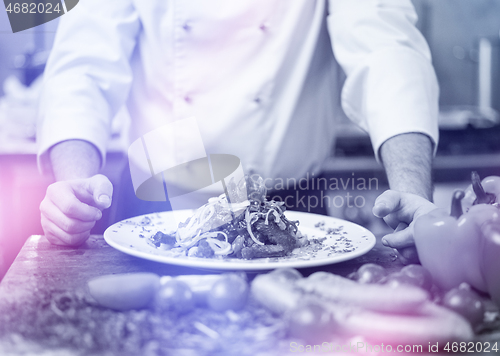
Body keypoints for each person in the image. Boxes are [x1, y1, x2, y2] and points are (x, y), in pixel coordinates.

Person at [37, 0, 439, 255]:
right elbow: (84, 67)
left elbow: (388, 50)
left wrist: (410, 190)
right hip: (156, 205)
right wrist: (77, 187)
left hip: (289, 208)